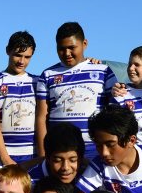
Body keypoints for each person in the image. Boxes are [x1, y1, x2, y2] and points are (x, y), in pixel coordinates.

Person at [35, 22, 116, 158]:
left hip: (95, 150)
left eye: (72, 47)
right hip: (59, 151)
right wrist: (43, 154)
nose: (67, 53)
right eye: (61, 48)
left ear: (84, 44)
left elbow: (114, 112)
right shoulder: (47, 75)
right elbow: (41, 116)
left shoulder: (103, 71)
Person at [0, 30, 39, 165]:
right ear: (8, 51)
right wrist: (5, 158)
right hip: (5, 155)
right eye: (18, 55)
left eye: (27, 57)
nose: (22, 61)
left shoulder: (38, 82)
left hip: (33, 154)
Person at [26, 122, 86, 187]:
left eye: (73, 160)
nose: (65, 167)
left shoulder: (89, 176)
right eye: (58, 160)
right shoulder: (29, 184)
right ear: (47, 158)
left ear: (81, 159)